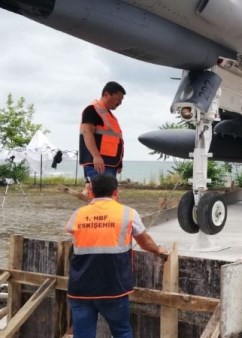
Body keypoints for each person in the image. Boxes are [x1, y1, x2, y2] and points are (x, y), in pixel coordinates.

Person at [65, 174, 167, 338]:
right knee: (122, 332)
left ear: (90, 192)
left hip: (81, 288)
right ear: (116, 192)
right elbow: (145, 241)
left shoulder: (78, 214)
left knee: (83, 335)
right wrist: (158, 250)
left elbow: (71, 231)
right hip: (113, 288)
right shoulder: (127, 213)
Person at [79, 81, 126, 197]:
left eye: (121, 101)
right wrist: (96, 156)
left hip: (110, 164)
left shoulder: (109, 115)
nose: (119, 103)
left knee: (110, 196)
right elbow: (87, 132)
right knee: (99, 197)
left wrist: (118, 163)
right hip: (98, 164)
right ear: (106, 95)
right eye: (118, 100)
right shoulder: (92, 110)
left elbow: (114, 140)